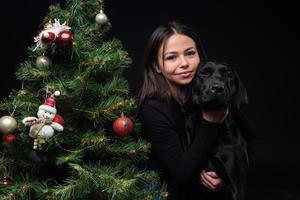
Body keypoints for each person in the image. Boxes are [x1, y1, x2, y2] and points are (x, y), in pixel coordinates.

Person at [137, 21, 258, 200]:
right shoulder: (152, 109)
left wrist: (225, 176)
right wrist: (211, 122)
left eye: (190, 53)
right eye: (172, 57)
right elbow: (182, 174)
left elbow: (250, 140)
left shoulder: (211, 92)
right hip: (162, 190)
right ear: (157, 66)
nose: (184, 63)